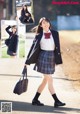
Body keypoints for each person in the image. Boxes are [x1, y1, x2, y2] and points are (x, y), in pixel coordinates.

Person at [25, 17, 66, 107]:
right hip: (43, 57)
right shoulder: (39, 35)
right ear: (40, 25)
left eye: (47, 22)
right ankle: (56, 101)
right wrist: (27, 61)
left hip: (51, 57)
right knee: (49, 79)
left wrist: (58, 58)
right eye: (43, 23)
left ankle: (35, 99)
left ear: (49, 24)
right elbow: (33, 48)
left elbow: (57, 47)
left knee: (45, 80)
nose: (45, 24)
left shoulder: (55, 33)